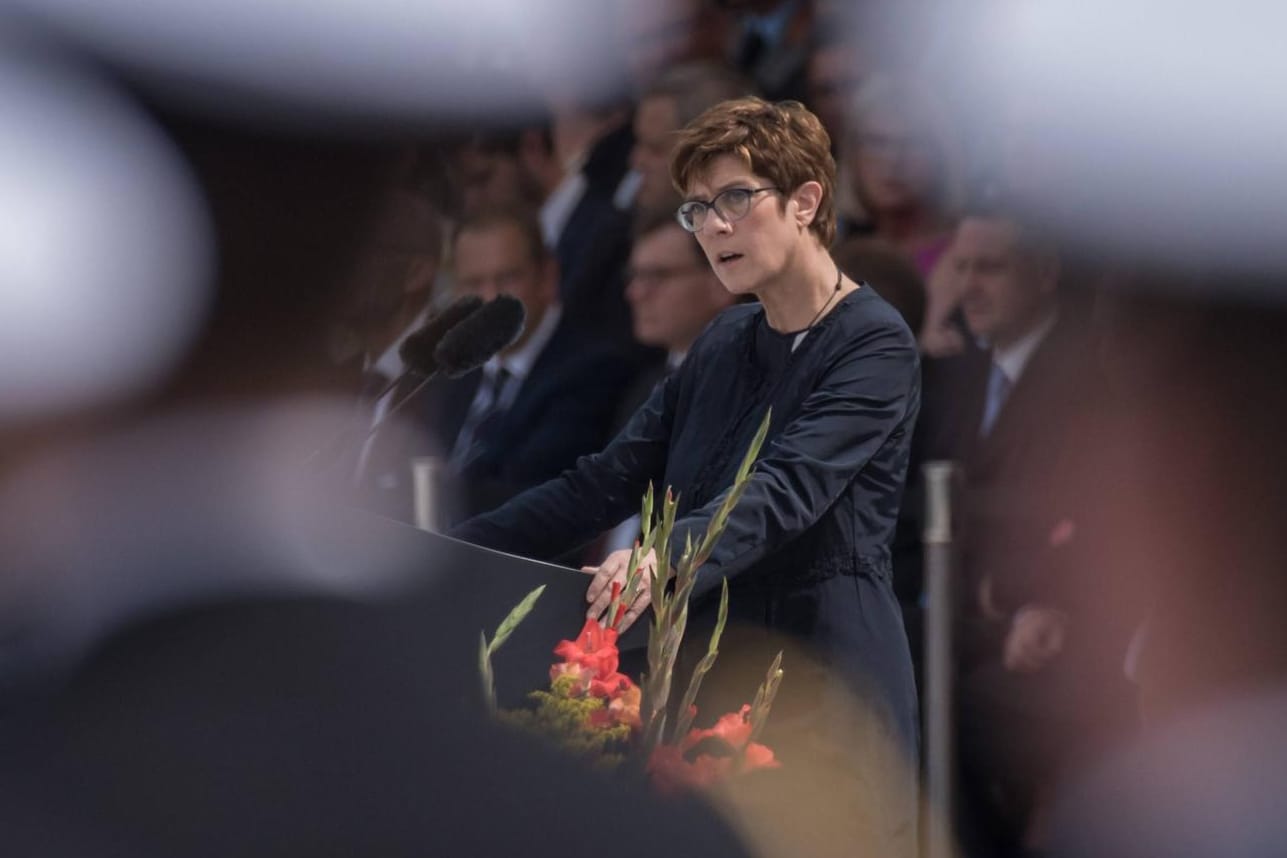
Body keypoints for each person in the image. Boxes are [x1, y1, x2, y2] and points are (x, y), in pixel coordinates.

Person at [453, 95, 921, 857]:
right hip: (710, 659)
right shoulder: (726, 337)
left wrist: (657, 558)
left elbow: (782, 491)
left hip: (822, 669)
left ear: (805, 200)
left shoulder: (873, 341)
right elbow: (603, 481)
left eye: (735, 199)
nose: (713, 227)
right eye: (698, 210)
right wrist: (450, 548)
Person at [361, 207, 634, 526]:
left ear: (547, 277)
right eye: (474, 283)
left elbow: (532, 490)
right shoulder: (453, 366)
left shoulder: (593, 368)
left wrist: (416, 494)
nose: (490, 297)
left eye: (507, 278)